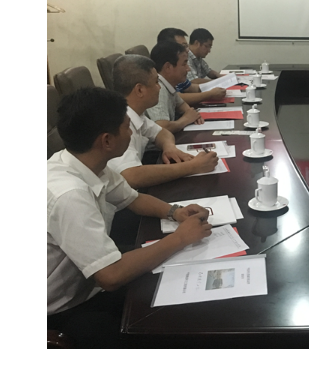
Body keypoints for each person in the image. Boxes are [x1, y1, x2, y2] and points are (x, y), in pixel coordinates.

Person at [47, 87, 212, 347]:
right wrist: (180, 238)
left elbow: (133, 199)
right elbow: (111, 276)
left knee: (174, 277)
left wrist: (174, 211)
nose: (131, 133)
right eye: (126, 128)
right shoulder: (69, 194)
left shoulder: (83, 163)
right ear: (107, 141)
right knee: (171, 322)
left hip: (89, 279)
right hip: (63, 308)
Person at [108, 55, 219, 188]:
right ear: (140, 90)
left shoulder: (136, 113)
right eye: (156, 82)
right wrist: (192, 166)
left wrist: (169, 147)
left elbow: (162, 133)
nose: (159, 88)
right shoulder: (117, 122)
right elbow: (132, 176)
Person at [145, 41, 205, 133]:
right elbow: (162, 128)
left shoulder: (168, 84)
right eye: (184, 64)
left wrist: (192, 114)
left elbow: (181, 104)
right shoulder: (158, 88)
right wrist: (186, 119)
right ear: (168, 67)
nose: (188, 69)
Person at [157, 28, 226, 104]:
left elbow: (189, 89)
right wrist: (210, 94)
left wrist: (216, 86)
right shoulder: (159, 82)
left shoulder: (177, 70)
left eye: (186, 46)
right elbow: (178, 98)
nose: (187, 50)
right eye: (183, 46)